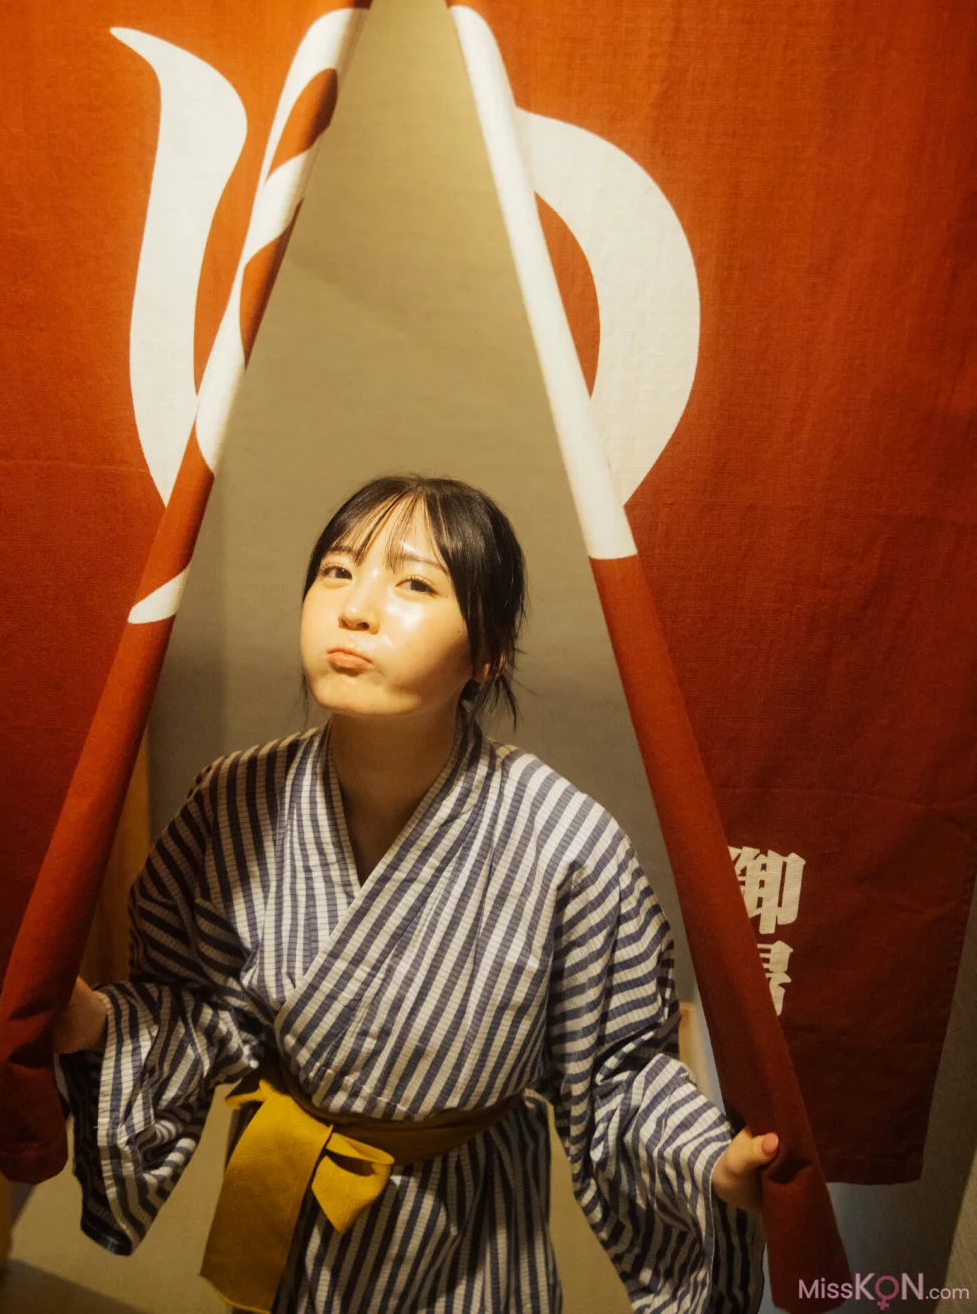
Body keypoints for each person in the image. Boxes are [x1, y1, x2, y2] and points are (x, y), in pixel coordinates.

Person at [54, 472, 778, 1314]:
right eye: (337, 571)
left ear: (488, 654)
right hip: (291, 1213)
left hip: (468, 1229)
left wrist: (711, 1163)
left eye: (415, 585)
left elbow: (617, 1073)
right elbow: (193, 1008)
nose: (356, 609)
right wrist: (94, 1022)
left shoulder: (566, 844)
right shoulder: (231, 802)